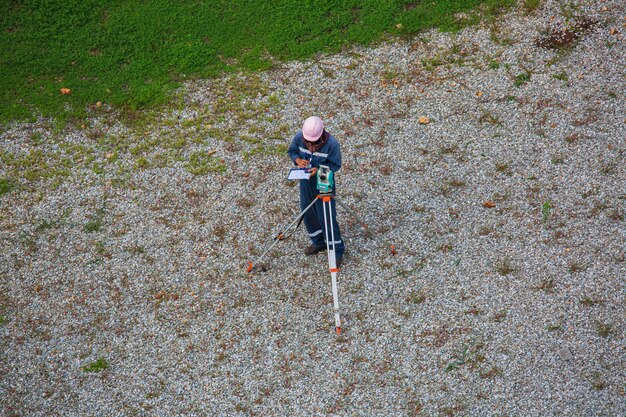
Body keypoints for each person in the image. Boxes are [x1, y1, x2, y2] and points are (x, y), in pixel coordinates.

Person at [287, 116, 345, 267]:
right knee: (307, 212)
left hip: (324, 182)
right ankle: (318, 241)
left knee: (327, 216)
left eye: (314, 142)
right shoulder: (300, 137)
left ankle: (336, 250)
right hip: (306, 182)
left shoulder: (332, 145)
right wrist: (298, 160)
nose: (310, 144)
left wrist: (319, 169)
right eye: (308, 142)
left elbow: (335, 165)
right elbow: (292, 151)